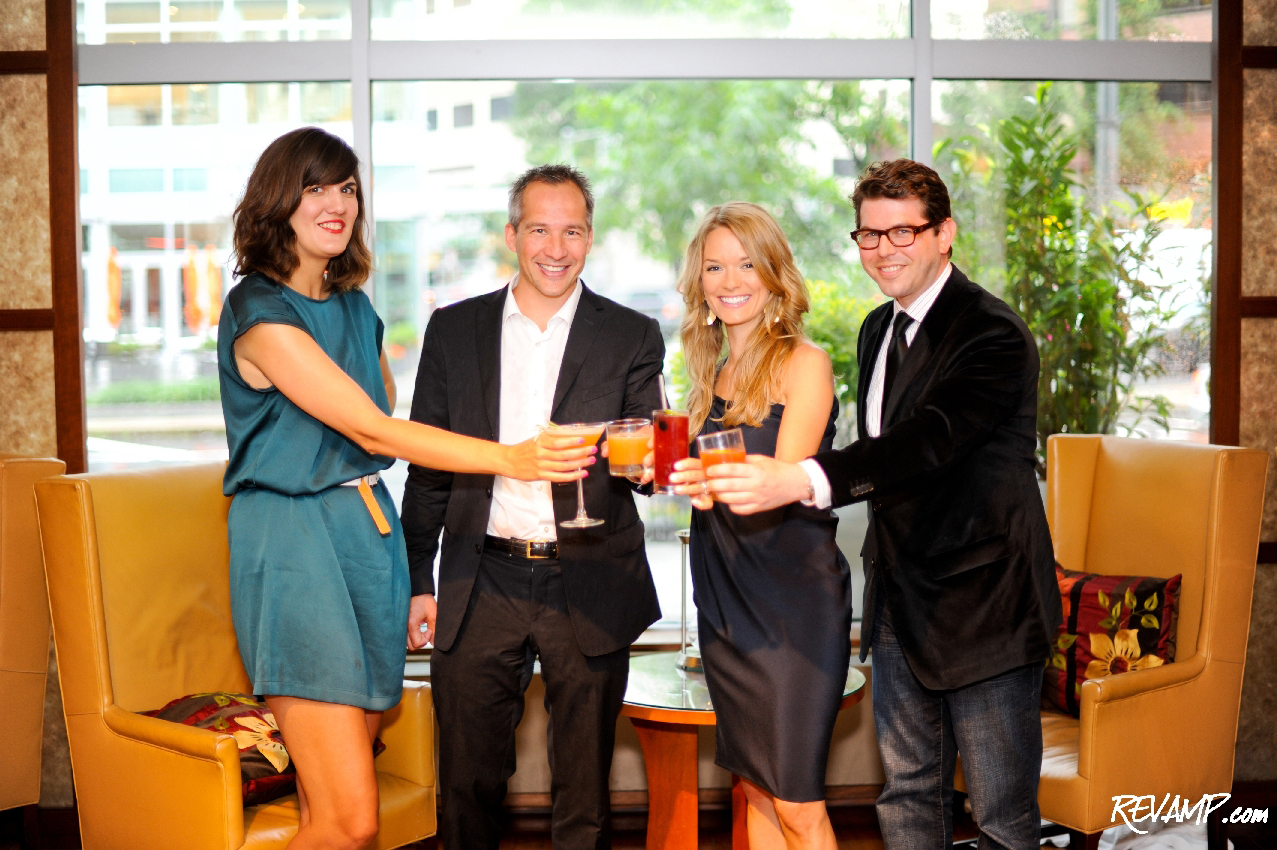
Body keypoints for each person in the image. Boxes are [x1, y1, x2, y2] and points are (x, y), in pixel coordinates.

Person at [217, 128, 592, 850]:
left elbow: (380, 409)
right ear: (278, 200)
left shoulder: (355, 309)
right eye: (315, 187)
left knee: (327, 809)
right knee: (350, 822)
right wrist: (511, 459)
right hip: (294, 540)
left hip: (366, 537)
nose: (336, 203)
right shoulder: (259, 313)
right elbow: (375, 429)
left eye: (347, 189)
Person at [682, 159, 1063, 849]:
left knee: (1001, 821)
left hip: (982, 609)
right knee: (907, 800)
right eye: (869, 234)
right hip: (895, 601)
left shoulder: (992, 332)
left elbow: (926, 444)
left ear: (944, 233)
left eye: (903, 232)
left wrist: (801, 479)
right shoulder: (876, 329)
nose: (884, 249)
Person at [399, 163, 665, 850]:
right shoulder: (453, 331)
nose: (556, 248)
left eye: (572, 231)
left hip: (591, 577)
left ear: (590, 237)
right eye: (540, 230)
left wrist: (650, 462)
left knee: (585, 791)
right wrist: (417, 580)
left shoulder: (632, 334)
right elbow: (428, 464)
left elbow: (645, 460)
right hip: (479, 578)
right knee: (468, 779)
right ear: (511, 235)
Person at [659, 202, 854, 850]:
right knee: (758, 791)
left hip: (792, 605)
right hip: (724, 600)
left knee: (797, 803)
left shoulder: (805, 363)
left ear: (775, 275)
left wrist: (705, 479)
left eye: (746, 263)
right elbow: (713, 494)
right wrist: (678, 480)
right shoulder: (709, 373)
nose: (730, 280)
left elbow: (779, 482)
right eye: (714, 266)